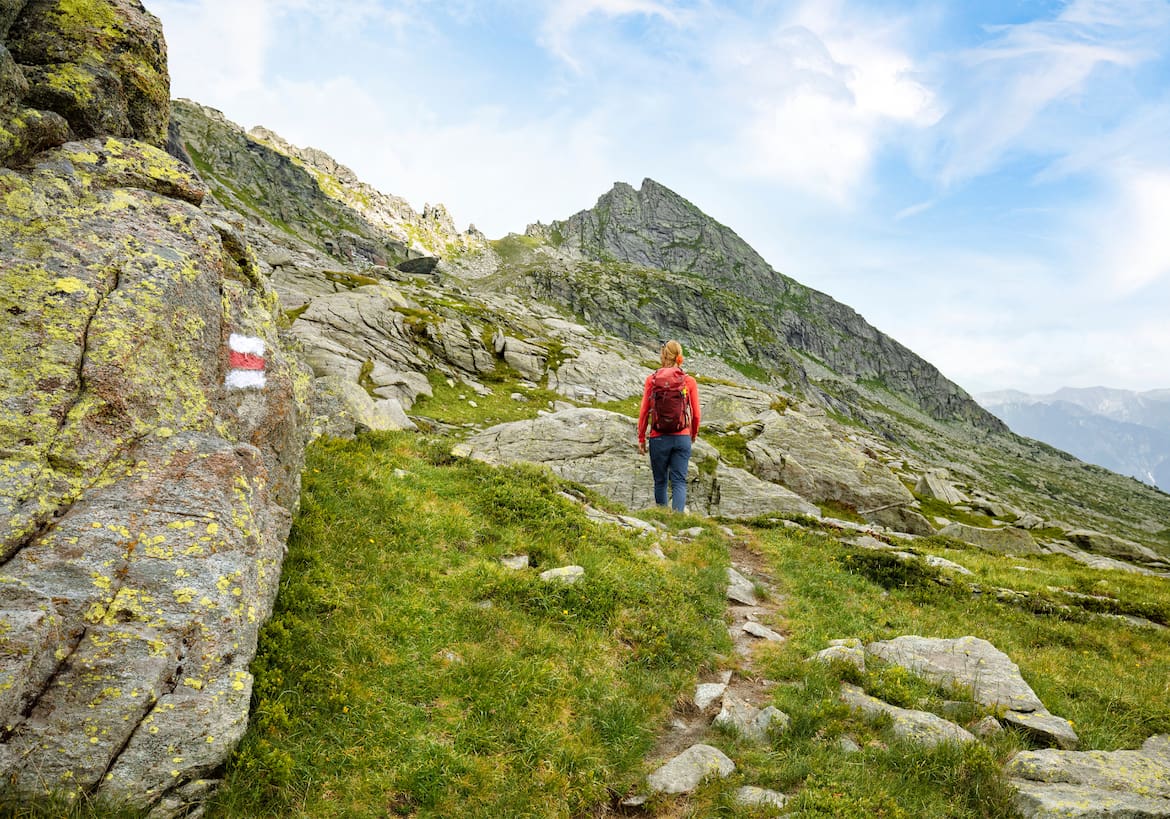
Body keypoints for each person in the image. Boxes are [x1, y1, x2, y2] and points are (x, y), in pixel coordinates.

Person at [637, 340, 701, 512]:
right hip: (682, 437)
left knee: (660, 481)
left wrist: (642, 438)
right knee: (679, 481)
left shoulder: (652, 380)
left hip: (658, 438)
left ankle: (662, 518)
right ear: (679, 357)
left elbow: (644, 411)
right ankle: (677, 519)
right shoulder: (689, 381)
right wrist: (692, 435)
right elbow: (695, 414)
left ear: (663, 355)